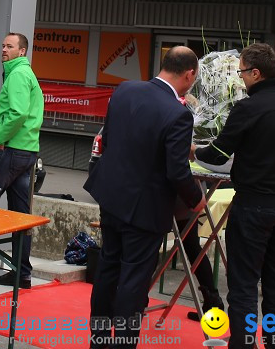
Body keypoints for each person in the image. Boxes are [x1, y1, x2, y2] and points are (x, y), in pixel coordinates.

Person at [84, 46, 205, 348]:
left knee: (110, 267)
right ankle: (124, 342)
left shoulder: (125, 90)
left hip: (111, 195)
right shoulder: (178, 114)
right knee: (134, 279)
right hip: (144, 207)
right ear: (189, 74)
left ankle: (99, 338)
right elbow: (177, 171)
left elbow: (109, 138)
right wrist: (196, 199)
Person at [194, 43, 275, 349]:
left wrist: (194, 149)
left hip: (256, 206)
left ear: (255, 73)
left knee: (243, 285)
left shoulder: (248, 108)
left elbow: (217, 156)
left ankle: (243, 344)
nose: (240, 77)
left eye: (242, 71)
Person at [0, 32, 44, 290]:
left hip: (10, 148)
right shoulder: (24, 73)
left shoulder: (18, 74)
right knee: (21, 216)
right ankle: (22, 273)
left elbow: (18, 113)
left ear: (22, 51)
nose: (3, 49)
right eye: (2, 45)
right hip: (25, 151)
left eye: (9, 46)